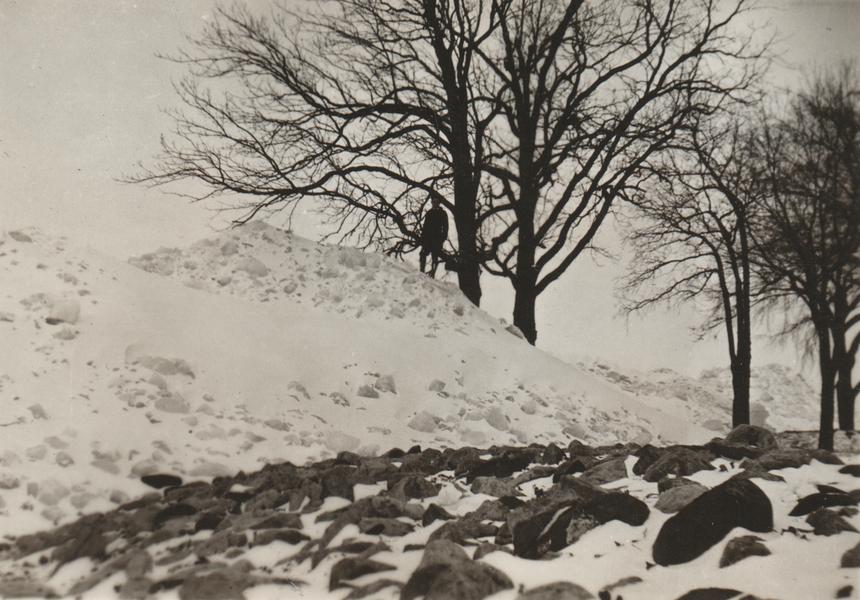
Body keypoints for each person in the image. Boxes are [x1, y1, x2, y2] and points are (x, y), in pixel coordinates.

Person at [419, 197, 449, 278]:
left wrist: (443, 238)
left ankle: (432, 274)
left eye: (436, 202)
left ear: (439, 203)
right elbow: (425, 226)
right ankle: (421, 272)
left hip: (437, 238)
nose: (435, 203)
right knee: (422, 253)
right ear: (432, 202)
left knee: (435, 256)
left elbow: (446, 227)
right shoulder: (429, 213)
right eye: (433, 202)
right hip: (428, 238)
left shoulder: (443, 213)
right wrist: (423, 238)